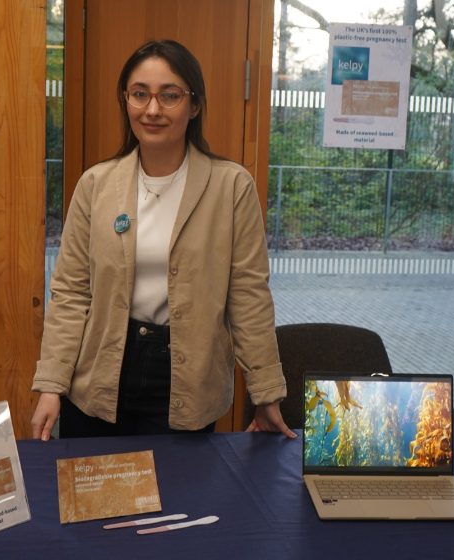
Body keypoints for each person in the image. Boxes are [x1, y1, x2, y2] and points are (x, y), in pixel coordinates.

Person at [30, 40, 295, 441]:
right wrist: (52, 384)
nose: (152, 109)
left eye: (169, 95)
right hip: (102, 371)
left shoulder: (231, 187)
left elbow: (248, 296)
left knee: (179, 497)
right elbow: (71, 293)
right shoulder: (96, 185)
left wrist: (267, 394)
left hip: (187, 378)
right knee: (94, 497)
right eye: (139, 94)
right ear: (126, 101)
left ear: (195, 105)